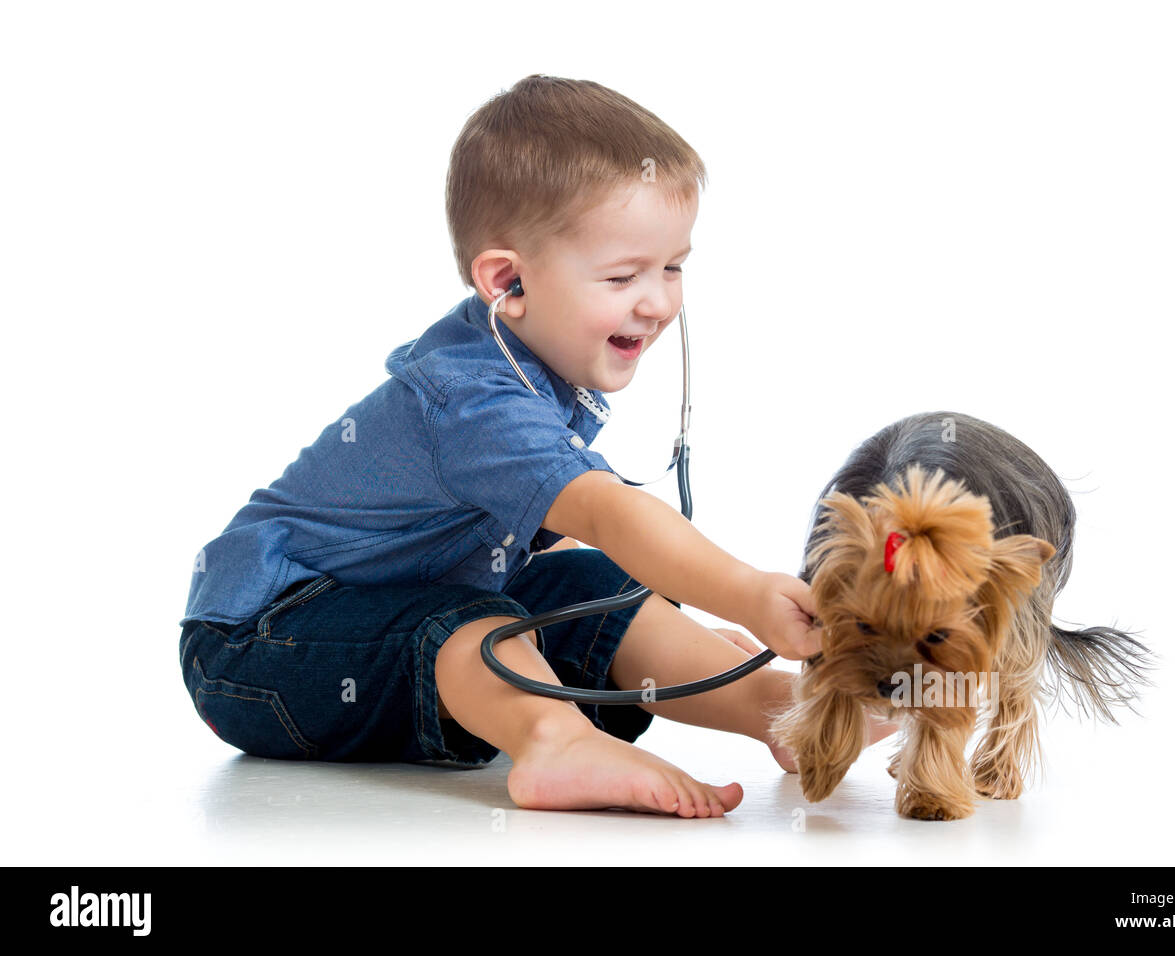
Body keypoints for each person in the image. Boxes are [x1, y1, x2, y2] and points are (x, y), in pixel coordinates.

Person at [178, 74, 897, 818]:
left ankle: (776, 706)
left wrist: (637, 615)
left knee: (592, 581)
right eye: (623, 276)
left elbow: (551, 552)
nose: (658, 302)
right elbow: (610, 512)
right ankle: (554, 738)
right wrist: (747, 593)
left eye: (674, 266)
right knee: (468, 621)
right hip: (257, 648)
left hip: (377, 616)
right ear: (509, 282)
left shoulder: (540, 377)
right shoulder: (473, 399)